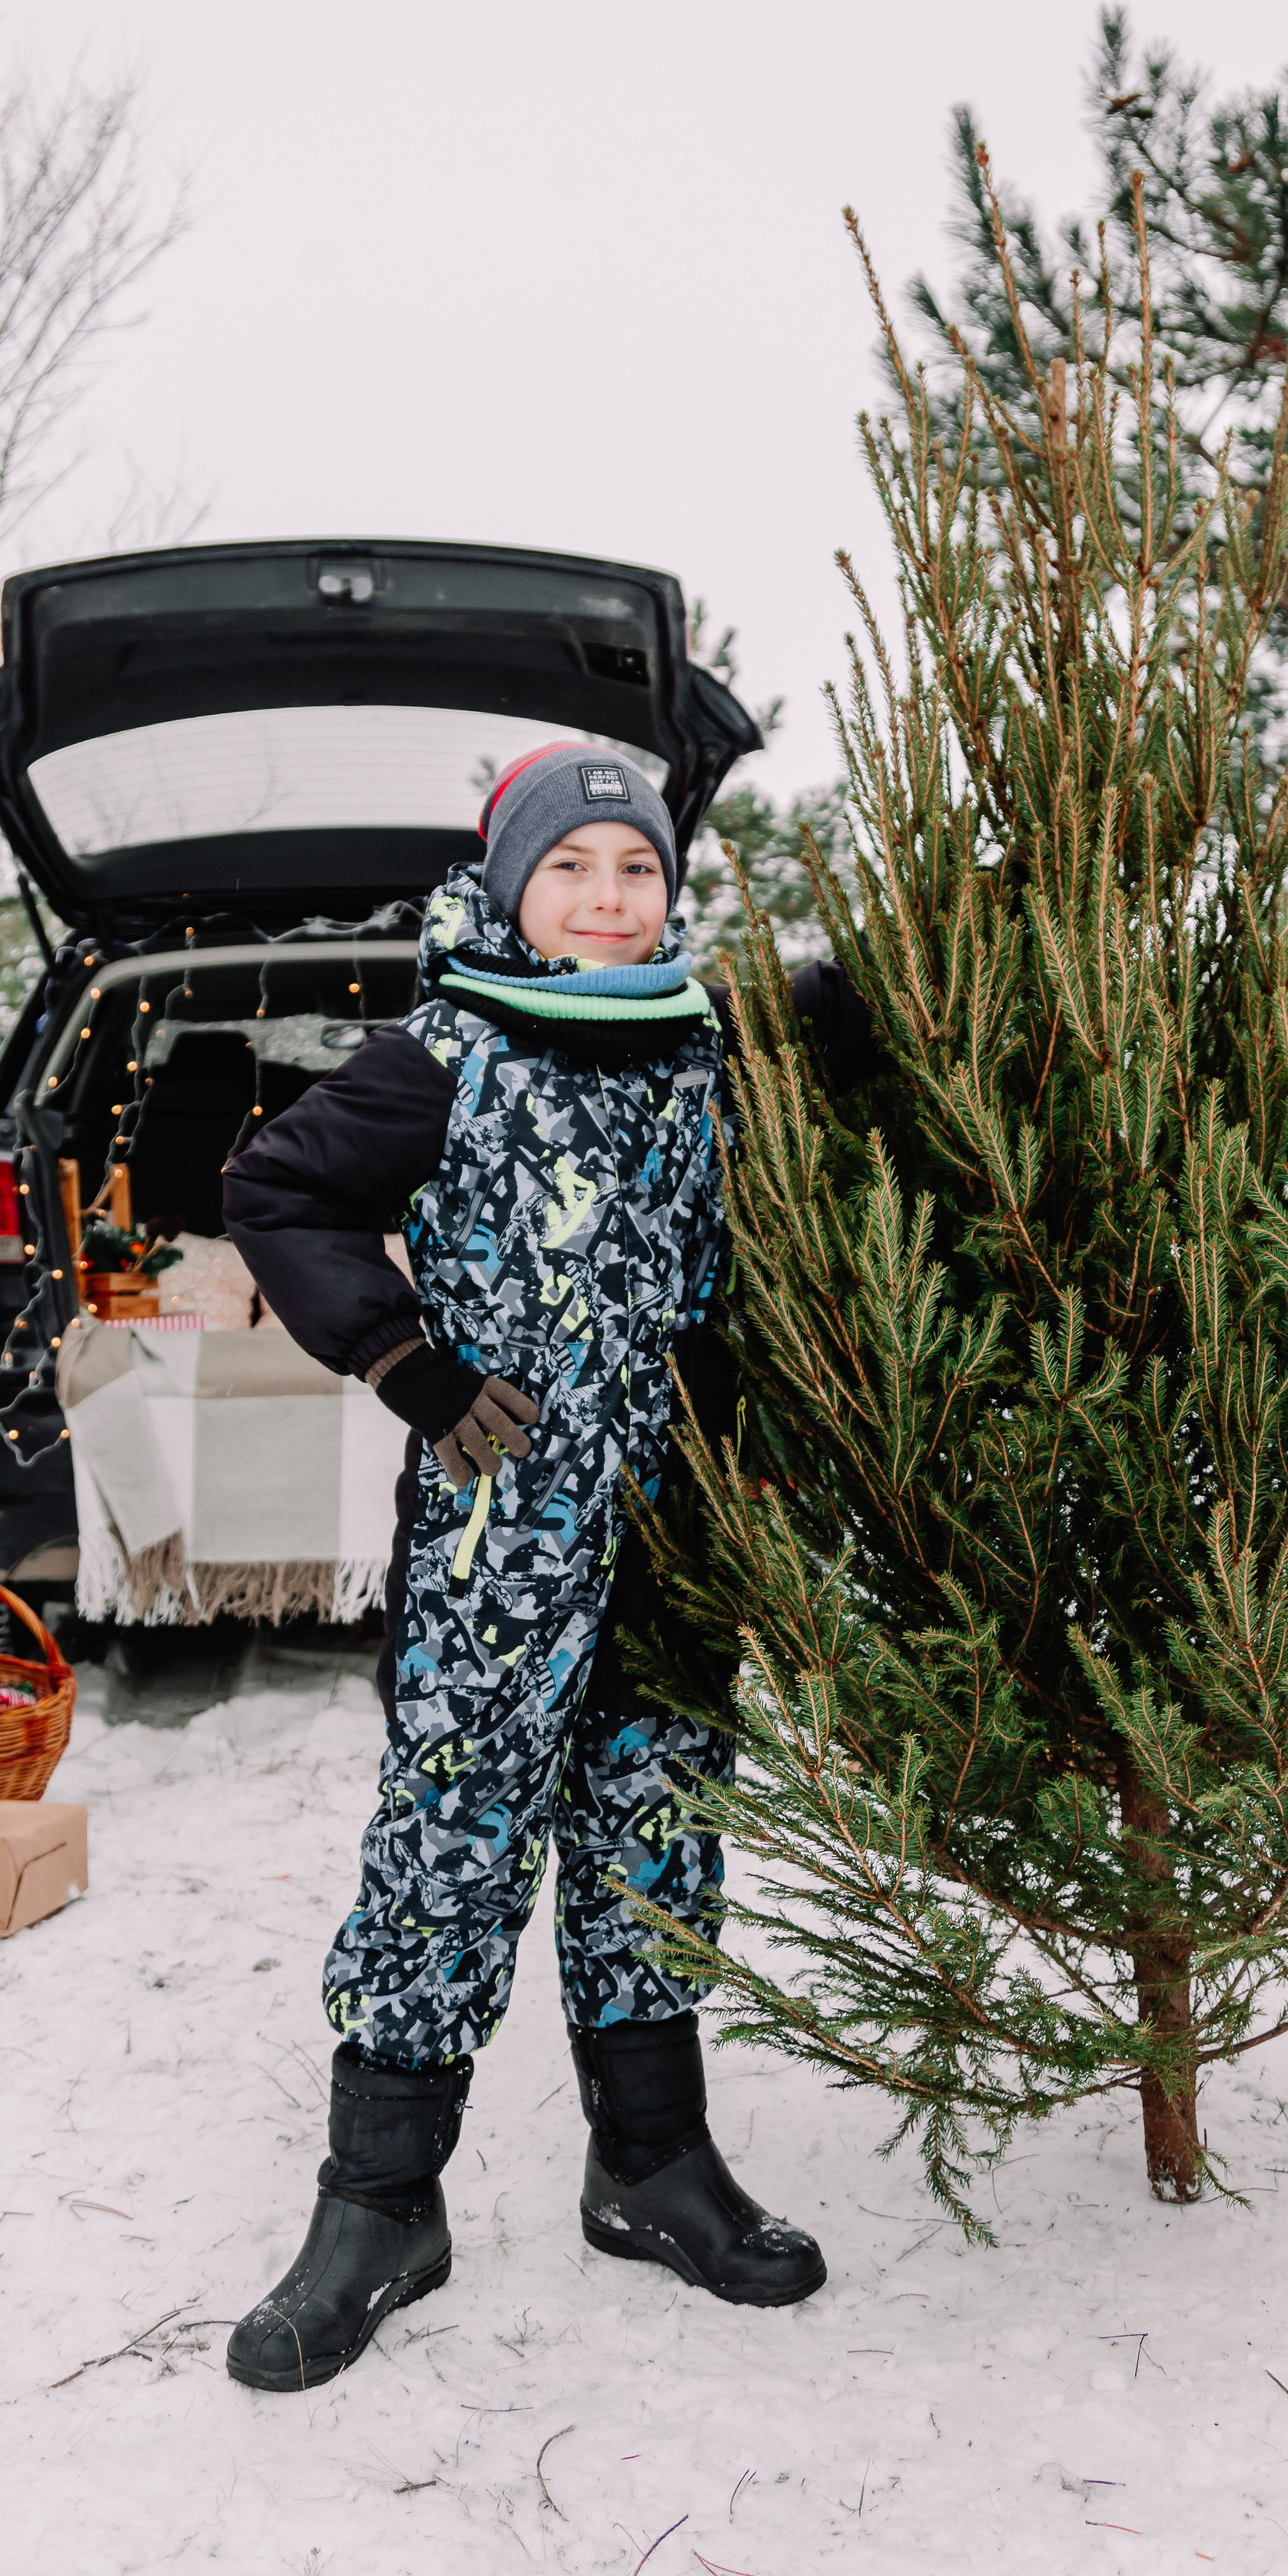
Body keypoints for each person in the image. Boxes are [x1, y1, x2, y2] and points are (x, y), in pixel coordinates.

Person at [221, 741, 869, 2392]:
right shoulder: (446, 1049)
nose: (605, 897)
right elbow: (276, 1188)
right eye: (570, 868)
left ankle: (649, 2166)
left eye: (635, 869)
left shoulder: (711, 1045)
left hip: (677, 1530)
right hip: (504, 1538)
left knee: (656, 1827)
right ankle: (378, 2203)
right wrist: (408, 1364)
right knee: (452, 1826)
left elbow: (860, 1035)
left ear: (670, 888)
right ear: (513, 884)